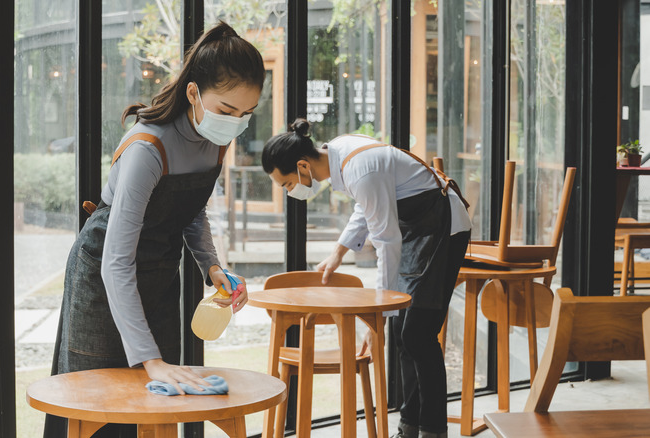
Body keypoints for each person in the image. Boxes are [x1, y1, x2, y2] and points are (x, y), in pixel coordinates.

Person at [43, 22, 265, 437]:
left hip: (161, 272)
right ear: (194, 93)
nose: (236, 124)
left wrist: (212, 268)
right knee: (98, 403)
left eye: (246, 114)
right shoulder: (148, 147)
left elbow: (192, 210)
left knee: (158, 404)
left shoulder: (216, 139)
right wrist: (150, 358)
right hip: (103, 278)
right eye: (227, 111)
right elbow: (116, 263)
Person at [261, 119, 471, 438]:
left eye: (287, 184)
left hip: (441, 228)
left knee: (417, 333)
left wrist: (378, 317)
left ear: (302, 166)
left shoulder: (360, 168)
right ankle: (410, 426)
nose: (291, 191)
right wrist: (339, 252)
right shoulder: (341, 153)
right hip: (415, 229)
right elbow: (367, 206)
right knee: (404, 331)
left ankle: (432, 431)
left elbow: (386, 241)